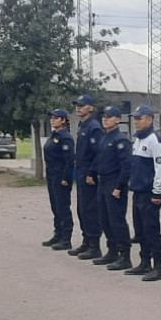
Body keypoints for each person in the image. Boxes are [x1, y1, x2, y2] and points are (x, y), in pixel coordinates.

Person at [124, 104, 161, 281]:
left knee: (151, 230)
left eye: (139, 118)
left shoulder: (154, 141)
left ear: (150, 120)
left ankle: (159, 266)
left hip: (150, 193)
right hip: (138, 191)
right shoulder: (138, 140)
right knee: (140, 230)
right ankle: (144, 262)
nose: (136, 121)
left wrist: (157, 192)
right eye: (135, 118)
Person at [88, 106, 134, 270]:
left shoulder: (120, 140)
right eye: (104, 117)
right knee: (104, 219)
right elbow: (98, 159)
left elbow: (126, 166)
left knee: (117, 221)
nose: (105, 119)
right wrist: (91, 173)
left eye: (109, 117)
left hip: (114, 183)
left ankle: (125, 255)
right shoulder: (104, 138)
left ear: (117, 119)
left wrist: (119, 186)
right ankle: (112, 251)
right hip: (102, 182)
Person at [70, 94, 105, 261]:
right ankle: (86, 240)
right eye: (77, 105)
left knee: (90, 209)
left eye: (82, 105)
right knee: (82, 209)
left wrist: (92, 172)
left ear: (90, 107)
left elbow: (99, 153)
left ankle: (94, 245)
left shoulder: (94, 127)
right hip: (81, 170)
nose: (78, 108)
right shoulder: (82, 125)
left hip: (89, 173)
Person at [41, 109, 75, 251]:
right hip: (51, 174)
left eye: (56, 118)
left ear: (63, 120)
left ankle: (66, 238)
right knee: (55, 206)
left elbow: (69, 160)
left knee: (62, 207)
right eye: (52, 118)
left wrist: (66, 178)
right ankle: (58, 234)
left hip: (60, 175)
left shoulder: (65, 137)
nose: (52, 120)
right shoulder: (55, 135)